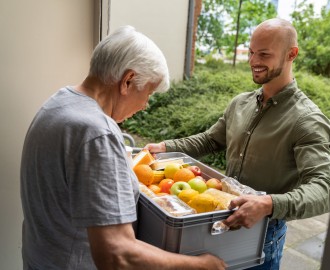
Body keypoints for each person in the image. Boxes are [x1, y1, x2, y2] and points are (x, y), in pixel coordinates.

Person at [20, 25, 226, 270]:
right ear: (127, 81)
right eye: (148, 92)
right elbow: (116, 255)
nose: (145, 105)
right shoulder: (98, 132)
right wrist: (200, 265)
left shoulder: (57, 103)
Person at [145, 18, 330, 270]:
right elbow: (210, 139)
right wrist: (165, 147)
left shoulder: (307, 120)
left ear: (292, 54)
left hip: (263, 236)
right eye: (251, 52)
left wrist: (269, 204)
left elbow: (326, 189)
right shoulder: (240, 103)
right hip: (219, 218)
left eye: (264, 54)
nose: (254, 61)